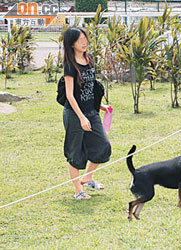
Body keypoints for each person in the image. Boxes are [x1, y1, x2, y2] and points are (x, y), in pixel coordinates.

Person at [62, 27, 111, 200]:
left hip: (91, 112)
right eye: (80, 40)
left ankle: (88, 178)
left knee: (103, 146)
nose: (84, 42)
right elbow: (69, 94)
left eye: (85, 38)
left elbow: (89, 87)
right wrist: (81, 117)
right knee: (75, 153)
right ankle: (78, 191)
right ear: (72, 43)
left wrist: (100, 106)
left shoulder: (88, 59)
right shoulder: (70, 65)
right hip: (75, 114)